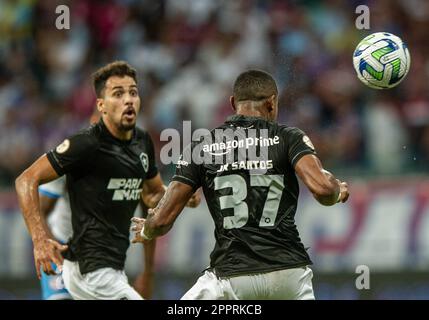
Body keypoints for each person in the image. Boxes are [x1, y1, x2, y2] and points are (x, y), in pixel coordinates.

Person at [131, 69, 349, 300]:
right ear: (272, 103)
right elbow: (324, 190)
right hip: (289, 276)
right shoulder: (289, 137)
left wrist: (147, 229)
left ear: (233, 102)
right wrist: (337, 191)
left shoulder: (202, 146)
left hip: (231, 278)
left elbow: (162, 221)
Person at [15, 61, 200, 300]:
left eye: (133, 92)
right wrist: (40, 240)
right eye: (118, 94)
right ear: (101, 105)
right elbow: (25, 180)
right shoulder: (85, 144)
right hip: (87, 268)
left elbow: (152, 193)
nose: (129, 100)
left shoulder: (142, 142)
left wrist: (180, 196)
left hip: (112, 269)